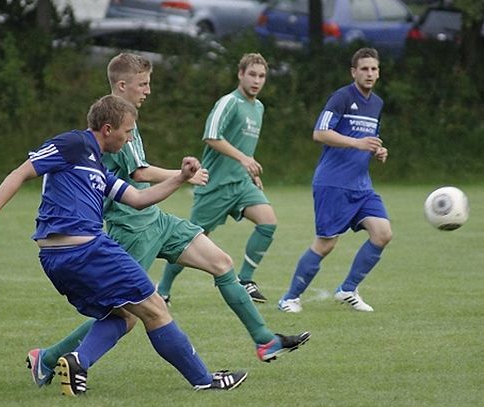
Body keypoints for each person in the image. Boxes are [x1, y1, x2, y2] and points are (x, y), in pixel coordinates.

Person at [24, 54, 309, 388]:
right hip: (131, 228)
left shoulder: (127, 119)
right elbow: (138, 172)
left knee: (221, 262)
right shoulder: (111, 127)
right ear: (122, 85)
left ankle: (264, 339)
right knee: (127, 314)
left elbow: (140, 173)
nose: (148, 90)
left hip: (155, 219)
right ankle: (49, 358)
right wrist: (183, 174)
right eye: (143, 83)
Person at [0, 95, 247, 395]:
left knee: (123, 315)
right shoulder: (73, 144)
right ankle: (204, 380)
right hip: (85, 249)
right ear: (107, 128)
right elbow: (21, 172)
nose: (130, 139)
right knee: (155, 307)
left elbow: (139, 199)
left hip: (57, 258)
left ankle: (77, 361)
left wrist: (181, 177)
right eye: (128, 132)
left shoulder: (99, 168)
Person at [277, 48, 392, 313]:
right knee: (326, 243)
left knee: (383, 233)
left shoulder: (377, 104)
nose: (370, 73)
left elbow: (367, 139)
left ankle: (348, 289)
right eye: (364, 69)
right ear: (354, 72)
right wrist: (357, 143)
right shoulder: (341, 97)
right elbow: (320, 133)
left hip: (362, 185)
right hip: (333, 183)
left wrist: (377, 150)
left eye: (374, 69)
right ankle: (289, 298)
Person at [157, 53, 278, 304]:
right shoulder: (229, 102)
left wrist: (250, 170)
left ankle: (246, 280)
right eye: (252, 74)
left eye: (262, 76)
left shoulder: (259, 108)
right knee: (192, 241)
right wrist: (243, 159)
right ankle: (163, 290)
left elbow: (245, 145)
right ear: (240, 74)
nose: (257, 80)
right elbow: (211, 136)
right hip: (215, 185)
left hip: (241, 183)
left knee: (268, 222)